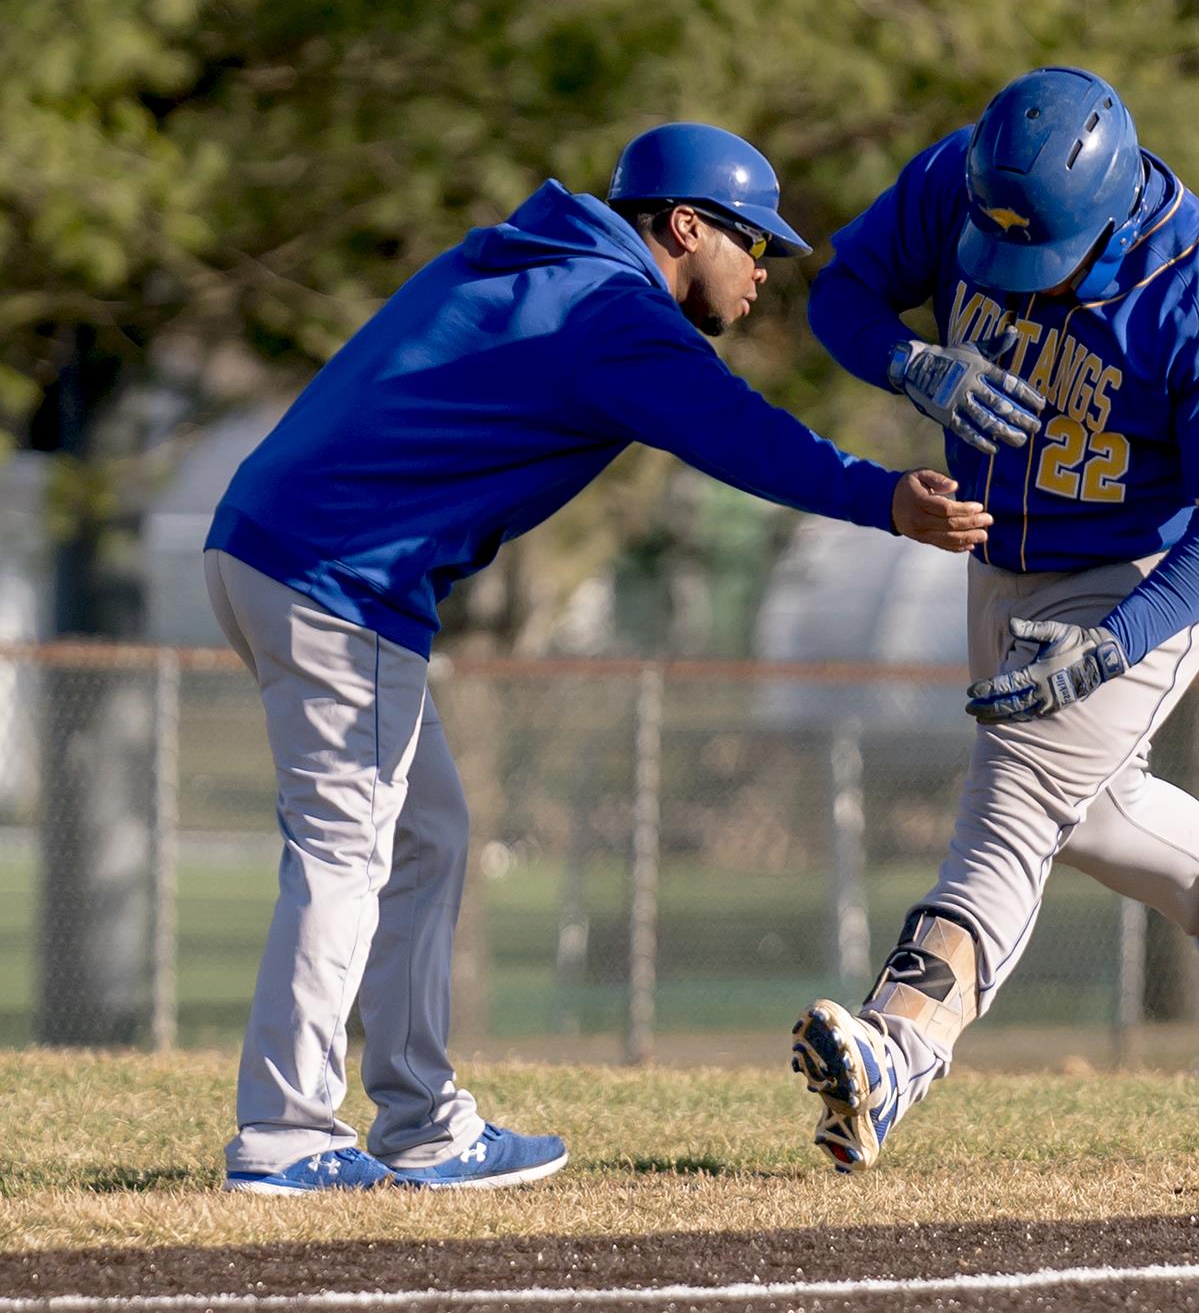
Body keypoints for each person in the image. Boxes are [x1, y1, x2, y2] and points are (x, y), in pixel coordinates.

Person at [205, 122, 993, 1193]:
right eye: (753, 240)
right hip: (333, 573)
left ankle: (420, 1120)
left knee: (427, 836)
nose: (763, 268)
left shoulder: (538, 262)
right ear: (685, 227)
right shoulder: (611, 311)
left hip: (278, 551)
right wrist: (884, 499)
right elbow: (739, 435)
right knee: (346, 851)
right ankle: (284, 1132)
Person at [788, 67, 1199, 1173]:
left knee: (1018, 797)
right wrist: (908, 361)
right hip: (1002, 548)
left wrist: (1119, 639)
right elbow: (839, 292)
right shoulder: (966, 177)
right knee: (1086, 806)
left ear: (1115, 207)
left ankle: (897, 1047)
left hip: (1144, 572)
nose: (1012, 276)